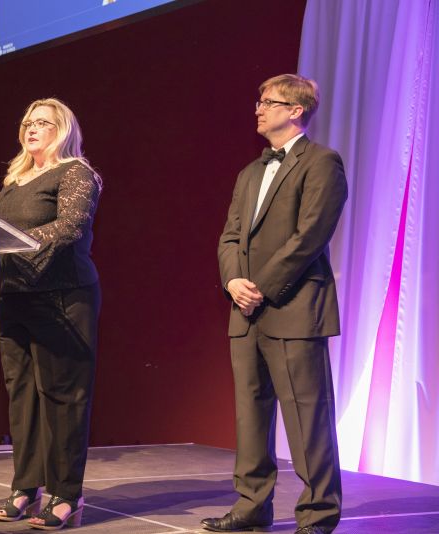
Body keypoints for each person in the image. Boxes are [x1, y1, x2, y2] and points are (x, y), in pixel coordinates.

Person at [203, 74, 346, 534]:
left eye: (269, 102)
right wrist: (233, 282)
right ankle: (252, 504)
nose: (258, 109)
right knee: (251, 414)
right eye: (259, 100)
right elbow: (229, 236)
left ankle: (319, 512)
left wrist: (261, 286)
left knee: (307, 414)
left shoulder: (322, 162)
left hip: (295, 308)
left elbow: (310, 237)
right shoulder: (250, 172)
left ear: (296, 110)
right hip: (246, 313)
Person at [0, 98, 102, 530]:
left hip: (62, 297)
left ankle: (65, 493)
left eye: (42, 123)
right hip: (14, 296)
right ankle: (26, 486)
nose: (31, 128)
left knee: (62, 397)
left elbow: (71, 226)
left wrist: (10, 241)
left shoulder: (75, 173)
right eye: (27, 122)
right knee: (23, 397)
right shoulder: (12, 183)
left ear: (63, 129)